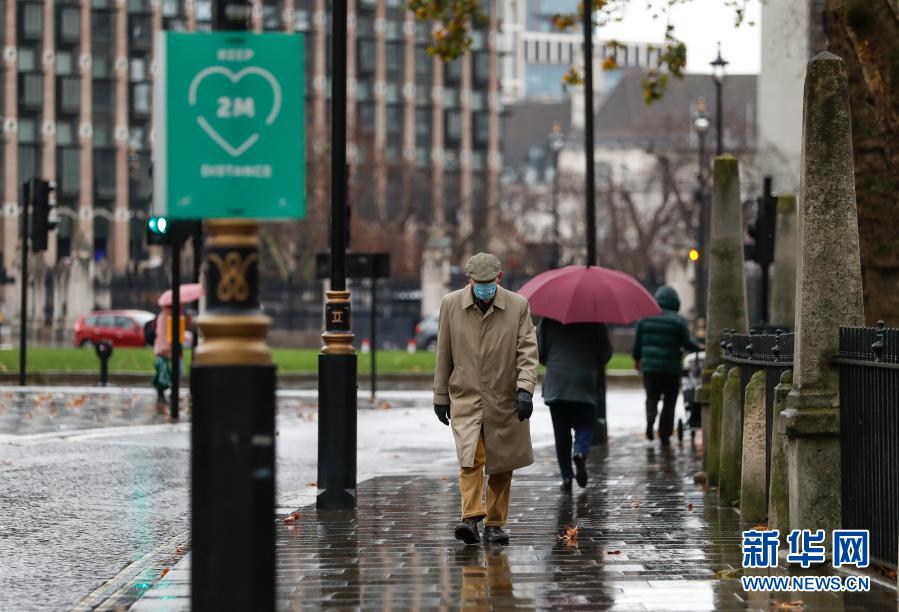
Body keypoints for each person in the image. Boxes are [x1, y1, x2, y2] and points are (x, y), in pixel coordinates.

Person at [433, 253, 539, 545]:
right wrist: (440, 396)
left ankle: (495, 523)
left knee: (502, 465)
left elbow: (528, 353)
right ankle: (470, 518)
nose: (483, 287)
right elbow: (444, 354)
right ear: (468, 280)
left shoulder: (518, 306)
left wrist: (525, 390)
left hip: (505, 398)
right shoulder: (451, 305)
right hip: (466, 397)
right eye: (478, 282)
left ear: (499, 278)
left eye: (488, 282)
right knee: (470, 458)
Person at [537, 317, 612, 492]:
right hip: (584, 379)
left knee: (561, 433)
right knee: (585, 423)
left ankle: (566, 478)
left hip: (557, 382)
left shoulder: (548, 320)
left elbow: (539, 351)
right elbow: (605, 353)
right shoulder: (595, 320)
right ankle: (580, 452)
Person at [632, 285, 701, 444]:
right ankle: (664, 434)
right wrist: (698, 347)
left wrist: (637, 359)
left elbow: (638, 344)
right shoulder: (678, 321)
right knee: (670, 401)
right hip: (671, 368)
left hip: (650, 368)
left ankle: (650, 418)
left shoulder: (645, 318)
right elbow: (687, 342)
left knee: (652, 396)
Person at [152, 305, 172, 406]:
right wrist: (166, 349)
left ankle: (161, 397)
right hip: (162, 350)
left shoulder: (163, 315)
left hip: (161, 349)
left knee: (162, 373)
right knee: (162, 374)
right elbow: (162, 334)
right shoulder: (165, 316)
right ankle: (161, 397)